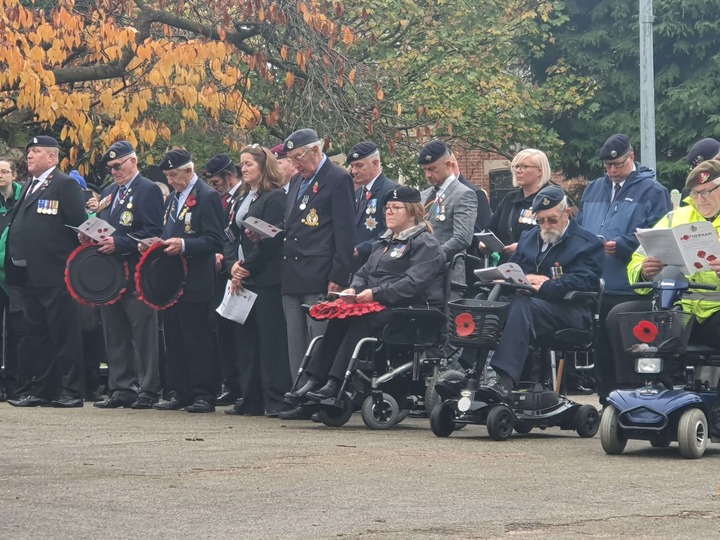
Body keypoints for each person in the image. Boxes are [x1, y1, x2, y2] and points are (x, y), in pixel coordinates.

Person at [280, 186, 446, 419]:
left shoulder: (425, 244)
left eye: (395, 208)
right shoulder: (383, 243)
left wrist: (375, 293)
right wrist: (353, 289)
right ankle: (314, 381)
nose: (389, 213)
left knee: (360, 320)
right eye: (387, 208)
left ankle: (335, 383)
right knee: (339, 317)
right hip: (380, 302)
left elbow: (412, 285)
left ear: (412, 212)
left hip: (409, 309)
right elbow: (363, 273)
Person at [606, 160, 720, 436]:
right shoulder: (675, 217)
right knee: (619, 315)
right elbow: (637, 260)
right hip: (678, 309)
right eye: (696, 193)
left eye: (709, 191)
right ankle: (637, 395)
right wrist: (645, 271)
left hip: (715, 308)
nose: (701, 199)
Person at [480, 185, 603, 402]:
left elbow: (584, 279)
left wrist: (546, 285)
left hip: (569, 309)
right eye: (540, 221)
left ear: (566, 214)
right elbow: (514, 267)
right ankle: (469, 374)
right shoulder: (529, 237)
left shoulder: (587, 243)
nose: (546, 226)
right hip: (530, 302)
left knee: (522, 306)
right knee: (483, 304)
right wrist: (517, 278)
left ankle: (505, 381)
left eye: (552, 220)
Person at [576, 134, 671, 404]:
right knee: (600, 345)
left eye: (618, 164)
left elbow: (657, 235)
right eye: (608, 166)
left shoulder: (653, 191)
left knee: (624, 344)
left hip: (629, 283)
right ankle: (606, 400)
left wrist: (623, 245)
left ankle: (629, 397)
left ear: (631, 158)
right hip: (597, 279)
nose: (613, 171)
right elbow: (582, 226)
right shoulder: (594, 188)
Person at [5, 136, 87, 407]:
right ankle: (43, 389)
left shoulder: (65, 185)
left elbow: (79, 226)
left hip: (56, 272)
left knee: (63, 332)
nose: (29, 155)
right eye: (28, 151)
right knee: (37, 333)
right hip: (28, 272)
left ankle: (71, 391)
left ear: (52, 158)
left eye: (36, 151)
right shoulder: (29, 186)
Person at [88, 141, 165, 409]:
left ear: (133, 161)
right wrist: (89, 233)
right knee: (115, 331)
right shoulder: (109, 192)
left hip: (136, 272)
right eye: (111, 168)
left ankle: (148, 388)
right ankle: (121, 387)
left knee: (143, 333)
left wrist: (121, 243)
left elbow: (155, 231)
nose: (115, 171)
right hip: (111, 276)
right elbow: (106, 226)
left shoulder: (148, 190)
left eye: (118, 165)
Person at [150, 148, 224, 413]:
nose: (171, 181)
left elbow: (215, 239)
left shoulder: (207, 196)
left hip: (196, 279)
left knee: (197, 338)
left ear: (189, 171)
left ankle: (204, 393)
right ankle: (180, 391)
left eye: (173, 175)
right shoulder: (173, 198)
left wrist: (184, 244)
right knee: (175, 338)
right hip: (172, 281)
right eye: (168, 176)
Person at [280, 128, 356, 386]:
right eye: (291, 159)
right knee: (295, 340)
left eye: (298, 157)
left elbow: (345, 233)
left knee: (318, 337)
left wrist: (339, 275)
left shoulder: (337, 178)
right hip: (292, 272)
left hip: (319, 272)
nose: (295, 164)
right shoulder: (296, 182)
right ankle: (297, 390)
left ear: (316, 150)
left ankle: (317, 391)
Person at [223, 145, 292, 417]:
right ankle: (249, 398)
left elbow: (272, 240)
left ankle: (275, 398)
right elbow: (229, 234)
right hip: (242, 274)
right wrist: (232, 266)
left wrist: (246, 268)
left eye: (249, 163)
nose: (244, 168)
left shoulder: (274, 197)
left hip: (266, 277)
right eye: (242, 164)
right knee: (246, 339)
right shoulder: (242, 197)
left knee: (270, 339)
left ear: (264, 167)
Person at [203, 153, 243, 406]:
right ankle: (229, 382)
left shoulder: (242, 196)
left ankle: (240, 384)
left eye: (218, 182)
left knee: (237, 332)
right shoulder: (216, 200)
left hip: (238, 269)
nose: (215, 187)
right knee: (221, 329)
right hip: (218, 272)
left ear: (229, 176)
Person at [418, 140, 477, 296]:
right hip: (417, 274)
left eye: (432, 169)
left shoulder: (464, 194)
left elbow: (462, 238)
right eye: (425, 170)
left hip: (447, 274)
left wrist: (431, 257)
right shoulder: (424, 195)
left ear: (449, 165)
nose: (428, 175)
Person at [480, 148, 552, 264]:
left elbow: (556, 235)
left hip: (537, 266)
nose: (518, 171)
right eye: (516, 167)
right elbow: (491, 228)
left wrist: (522, 246)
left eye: (524, 167)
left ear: (540, 171)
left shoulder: (550, 200)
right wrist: (485, 241)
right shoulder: (510, 199)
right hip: (507, 267)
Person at [347, 141, 398, 270]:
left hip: (377, 266)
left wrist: (362, 249)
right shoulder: (357, 192)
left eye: (359, 166)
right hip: (354, 267)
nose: (354, 171)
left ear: (375, 163)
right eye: (352, 166)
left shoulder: (391, 191)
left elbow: (391, 230)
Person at [0, 159, 23, 400]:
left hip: (17, 275)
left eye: (4, 171)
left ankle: (16, 383)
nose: (1, 176)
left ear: (14, 175)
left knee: (17, 331)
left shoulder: (24, 198)